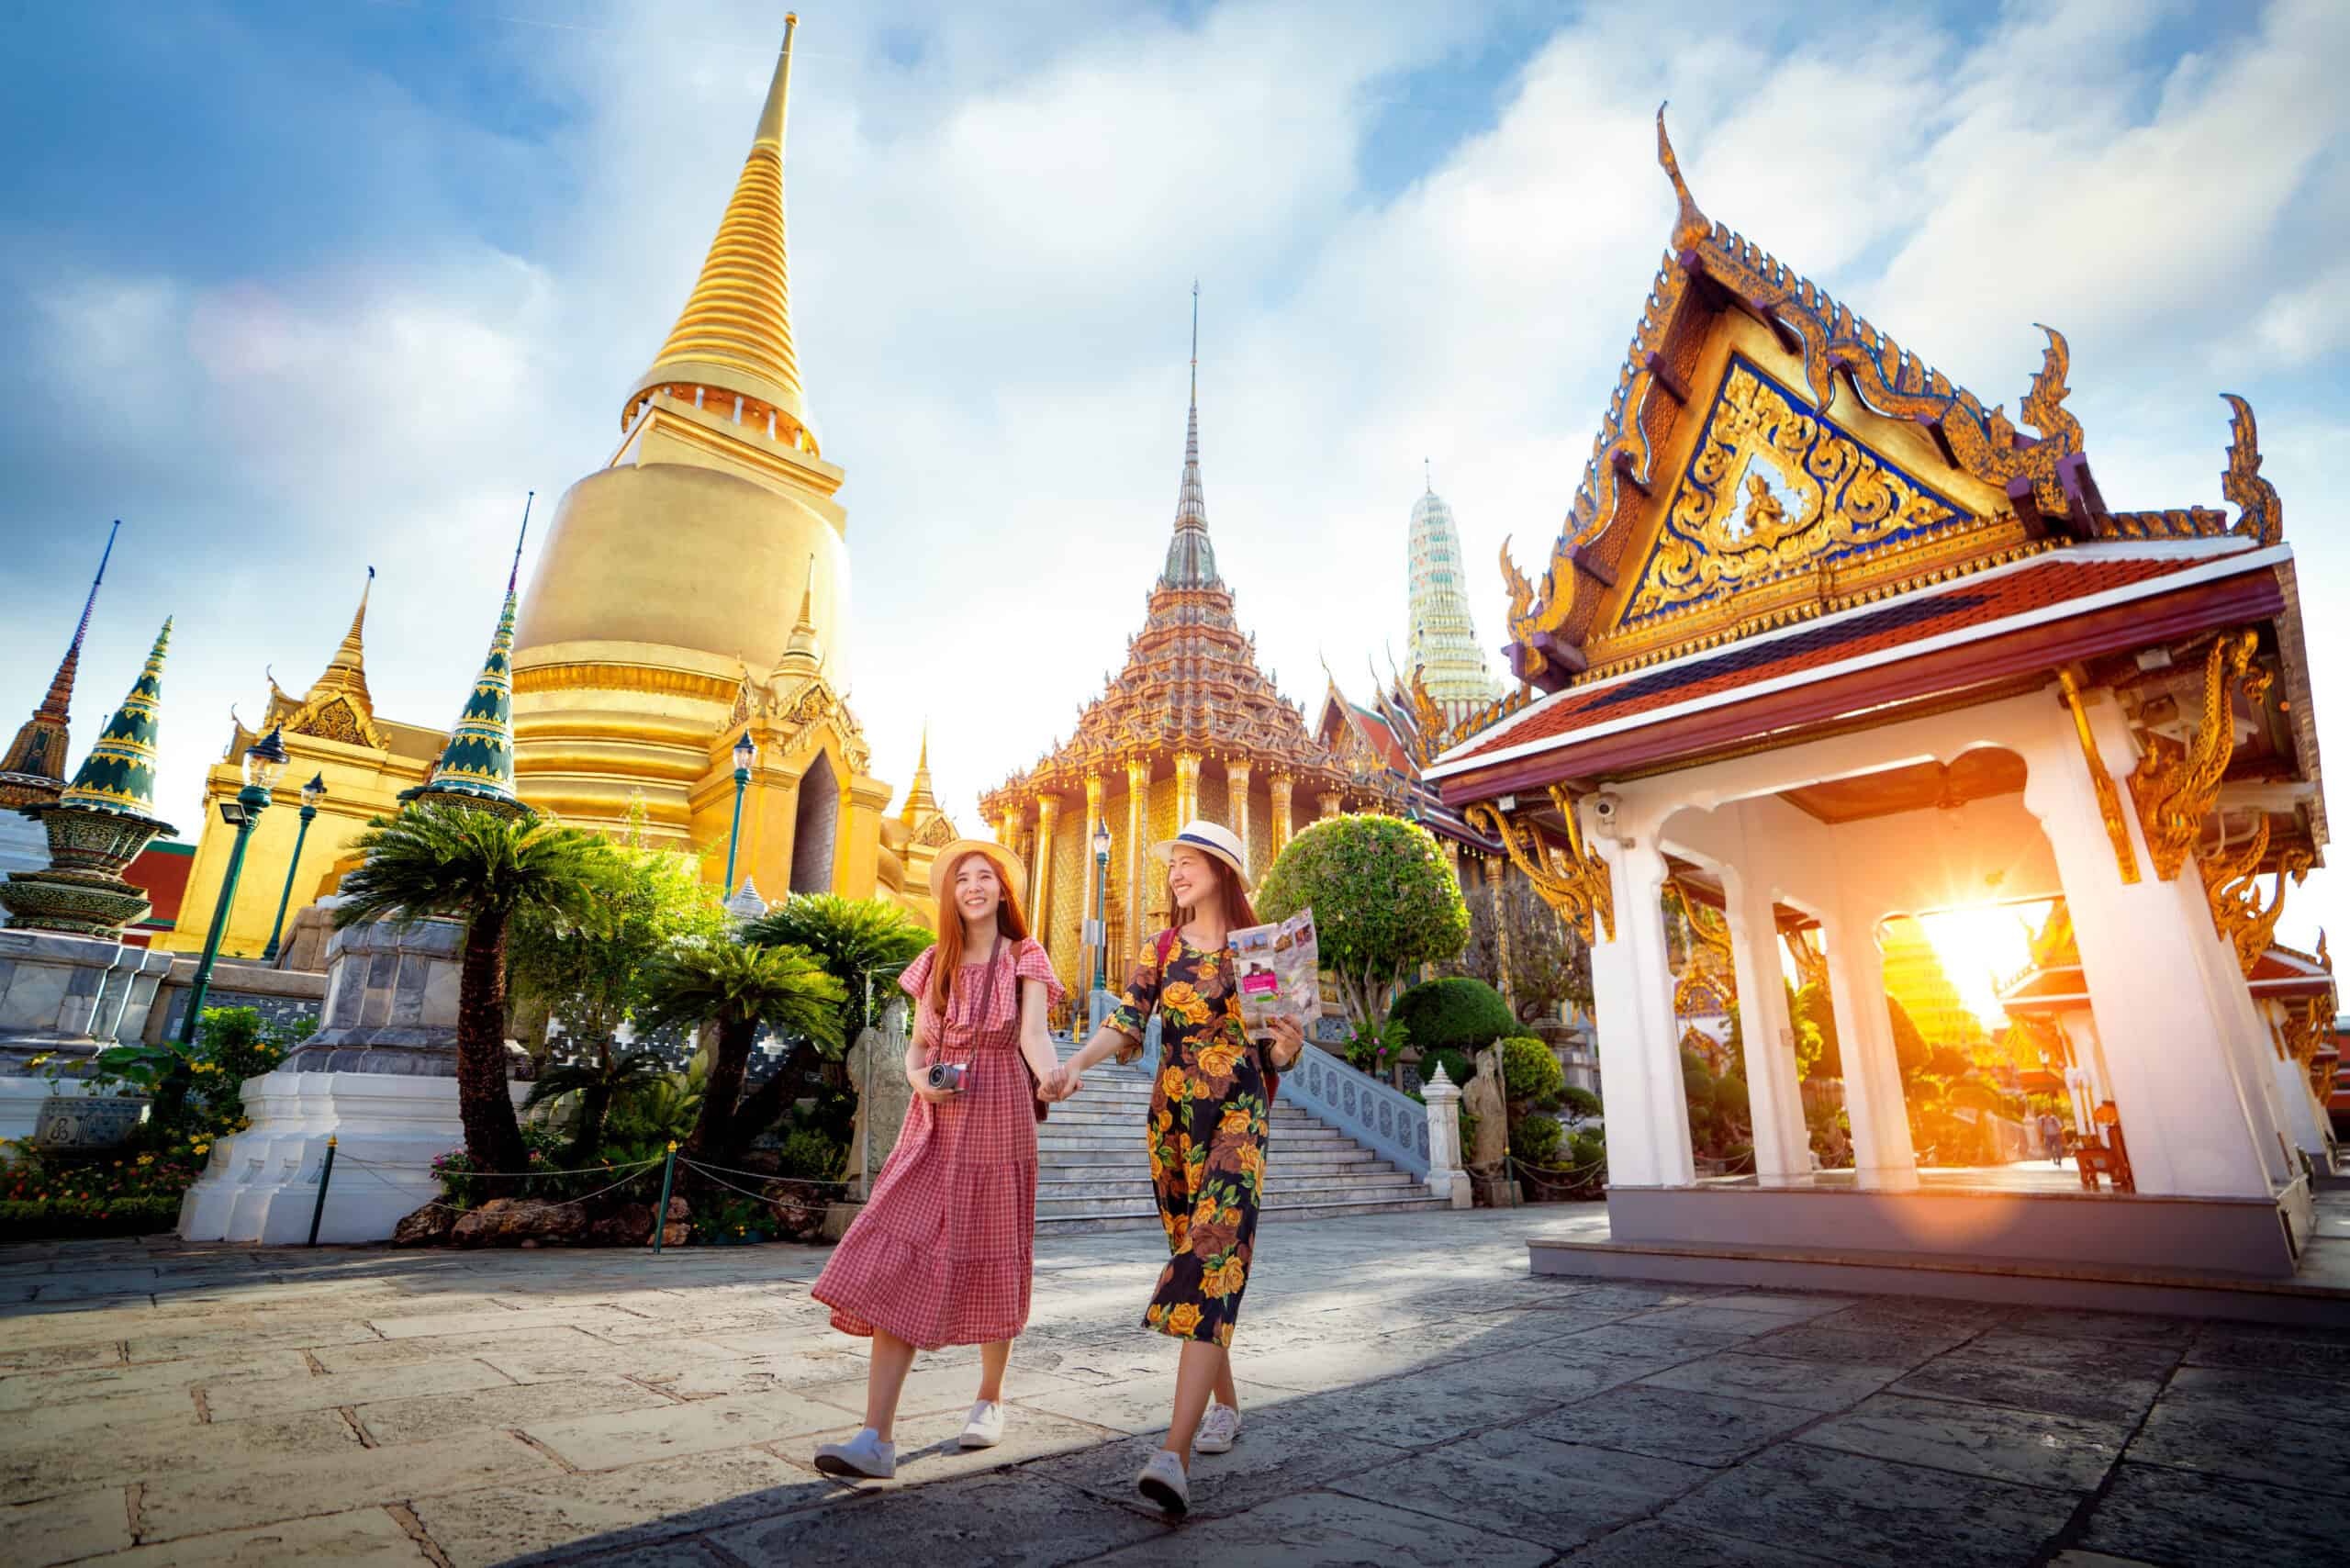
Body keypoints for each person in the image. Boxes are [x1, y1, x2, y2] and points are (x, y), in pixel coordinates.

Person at [1047, 820, 1307, 1516]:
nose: (1177, 873)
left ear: (1223, 871)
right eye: (1175, 864)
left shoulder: (1256, 950)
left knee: (1213, 1255)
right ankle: (1225, 1404)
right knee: (1197, 1260)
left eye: (1191, 862)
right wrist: (1072, 1063)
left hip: (1237, 1119)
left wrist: (1285, 1047)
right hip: (1172, 1124)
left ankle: (1174, 1454)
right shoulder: (1160, 948)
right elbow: (1126, 1022)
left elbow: (1277, 1051)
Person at [808, 840, 1064, 1480]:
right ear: (949, 894)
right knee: (899, 1253)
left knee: (993, 1248)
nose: (973, 887)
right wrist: (922, 1081)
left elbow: (1033, 1036)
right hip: (936, 1123)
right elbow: (919, 1048)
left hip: (1002, 1113)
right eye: (962, 879)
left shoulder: (1025, 956)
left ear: (1005, 891)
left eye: (986, 877)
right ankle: (876, 1437)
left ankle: (990, 1398)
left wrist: (1055, 1077)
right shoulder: (936, 962)